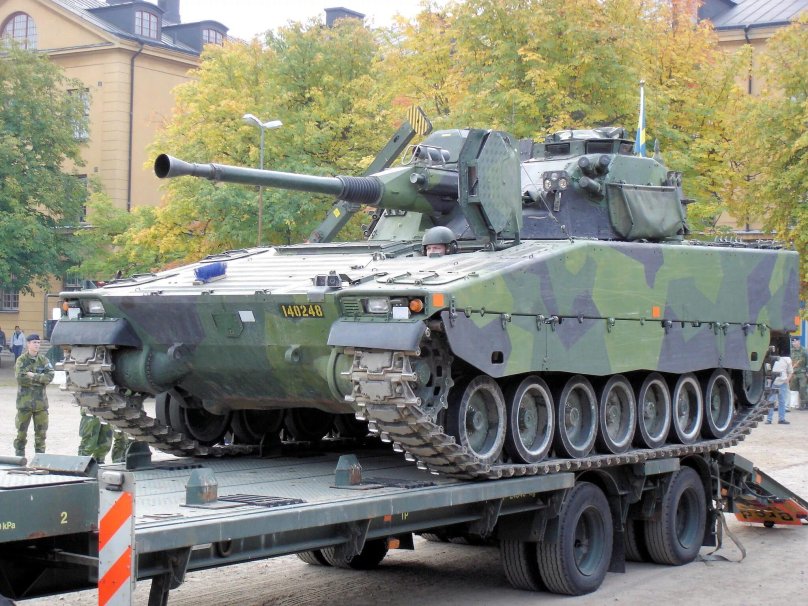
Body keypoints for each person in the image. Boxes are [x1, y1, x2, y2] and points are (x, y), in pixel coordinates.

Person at [13, 334, 55, 457]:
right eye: (34, 342)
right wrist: (40, 380)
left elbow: (50, 377)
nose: (37, 344)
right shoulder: (21, 360)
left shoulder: (44, 360)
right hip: (24, 405)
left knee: (41, 435)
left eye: (38, 342)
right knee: (21, 434)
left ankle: (40, 459)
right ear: (28, 344)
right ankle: (19, 458)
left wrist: (33, 375)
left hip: (41, 405)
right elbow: (21, 379)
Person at [766, 351, 793, 425]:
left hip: (780, 382)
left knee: (778, 401)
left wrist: (787, 380)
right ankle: (774, 419)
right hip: (776, 381)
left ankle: (775, 419)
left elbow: (790, 372)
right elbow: (791, 372)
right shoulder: (786, 359)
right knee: (775, 401)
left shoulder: (785, 359)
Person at [790, 337, 807, 409]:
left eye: (795, 341)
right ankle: (794, 404)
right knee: (793, 389)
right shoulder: (791, 351)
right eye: (792, 342)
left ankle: (804, 404)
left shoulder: (804, 351)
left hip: (802, 373)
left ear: (799, 341)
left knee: (803, 388)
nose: (794, 343)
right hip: (793, 373)